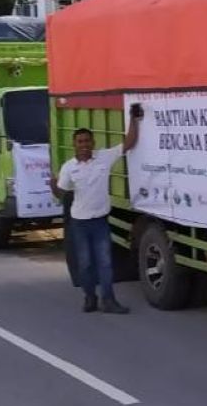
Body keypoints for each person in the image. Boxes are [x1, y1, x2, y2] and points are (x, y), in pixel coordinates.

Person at [52, 104, 143, 313]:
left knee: (105, 263)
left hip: (100, 221)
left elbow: (128, 143)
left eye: (87, 141)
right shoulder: (69, 167)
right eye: (80, 141)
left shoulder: (104, 157)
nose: (84, 144)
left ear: (93, 142)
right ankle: (89, 297)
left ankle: (109, 300)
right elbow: (61, 194)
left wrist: (134, 119)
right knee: (85, 264)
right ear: (74, 144)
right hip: (80, 223)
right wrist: (52, 186)